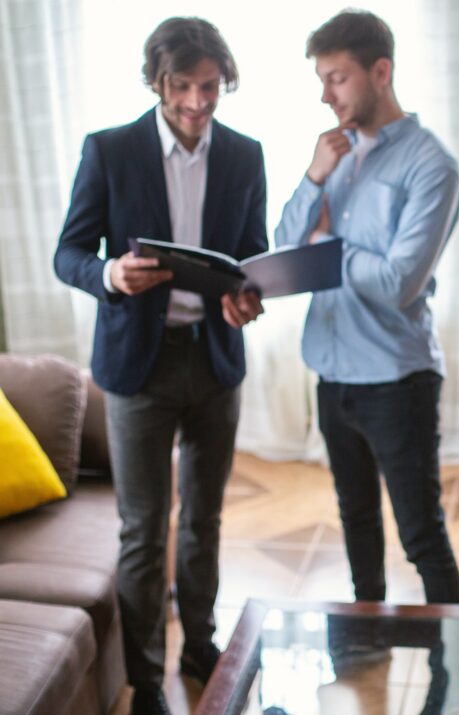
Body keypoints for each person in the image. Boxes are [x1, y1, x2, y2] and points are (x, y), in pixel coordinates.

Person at [53, 17, 267, 715]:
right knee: (143, 530)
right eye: (184, 87)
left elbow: (251, 257)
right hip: (136, 370)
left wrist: (244, 300)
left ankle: (200, 645)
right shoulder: (110, 151)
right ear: (157, 82)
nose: (198, 103)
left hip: (214, 363)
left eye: (210, 88)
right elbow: (69, 254)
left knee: (203, 520)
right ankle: (147, 680)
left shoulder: (244, 154)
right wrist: (110, 274)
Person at [275, 9, 459, 615]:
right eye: (322, 80)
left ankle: (453, 675)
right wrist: (312, 178)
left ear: (380, 71)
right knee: (356, 521)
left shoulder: (432, 166)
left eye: (336, 78)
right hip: (332, 377)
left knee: (421, 536)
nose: (324, 95)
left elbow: (398, 283)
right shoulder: (333, 154)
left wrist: (330, 248)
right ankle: (365, 649)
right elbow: (284, 247)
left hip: (396, 383)